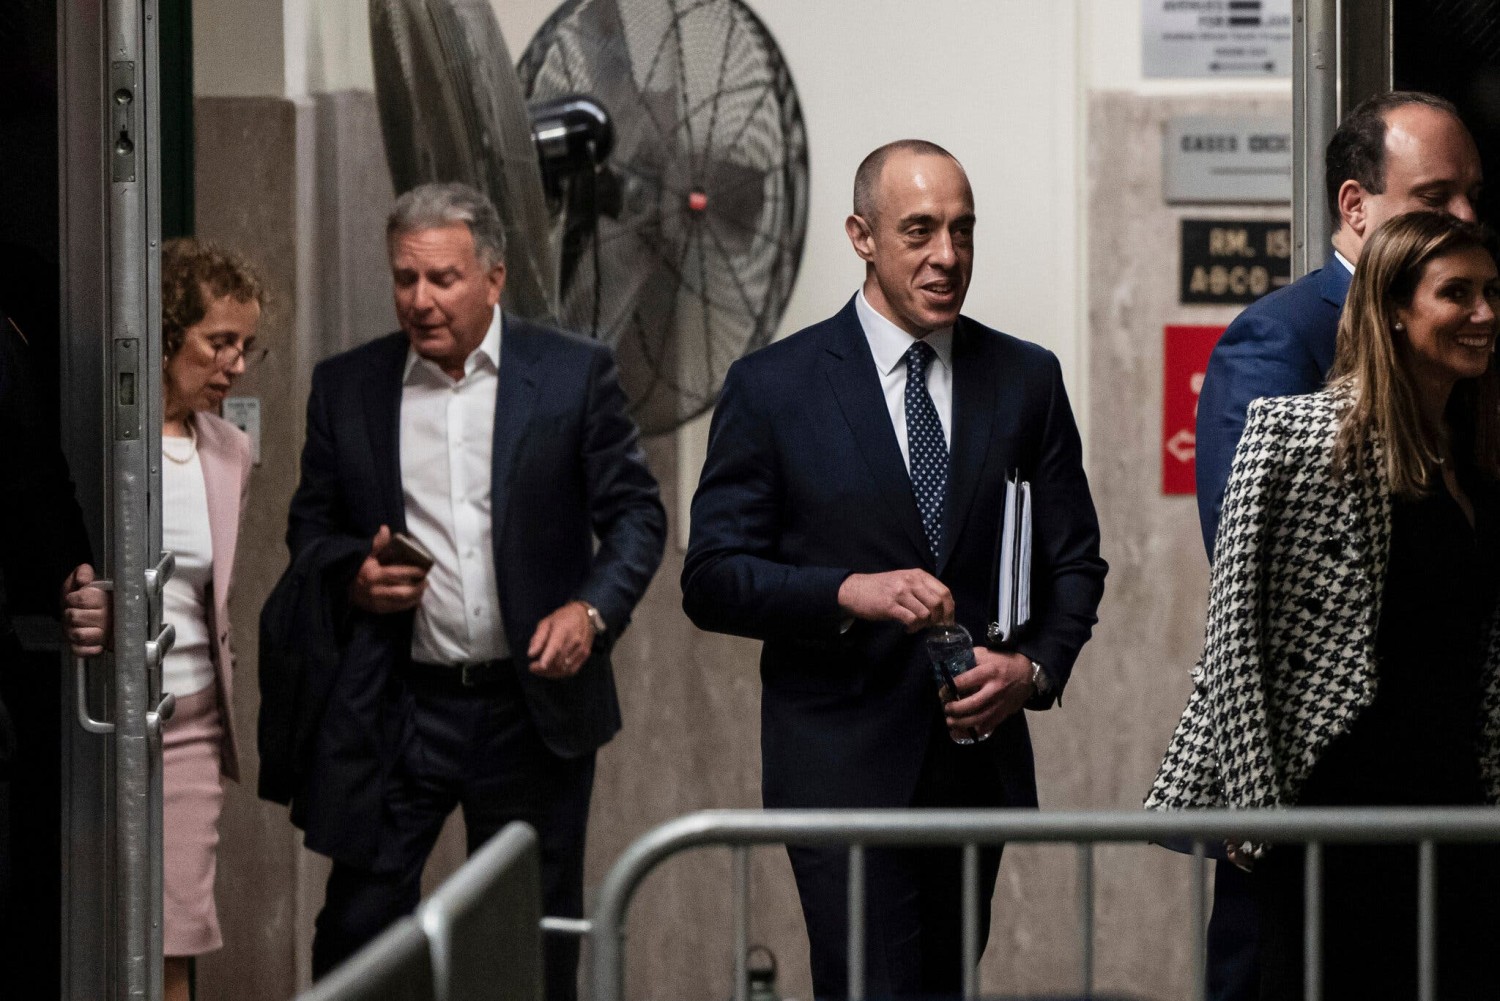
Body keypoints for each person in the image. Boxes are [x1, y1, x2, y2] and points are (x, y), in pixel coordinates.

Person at [681, 140, 1107, 997]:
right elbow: (712, 576)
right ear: (862, 236)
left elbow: (1077, 563)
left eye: (962, 230)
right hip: (842, 770)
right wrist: (845, 591)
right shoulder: (774, 387)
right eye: (919, 231)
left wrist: (1033, 669)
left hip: (973, 772)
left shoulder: (1026, 379)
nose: (947, 256)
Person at [267, 182, 664, 1001]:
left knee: (534, 937)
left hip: (531, 708)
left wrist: (591, 611)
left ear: (493, 278)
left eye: (442, 279)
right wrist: (355, 575)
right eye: (405, 279)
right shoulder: (347, 388)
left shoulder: (571, 374)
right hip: (397, 704)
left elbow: (636, 517)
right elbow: (310, 532)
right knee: (356, 928)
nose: (420, 300)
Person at [1150, 210, 1500, 999]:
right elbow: (1237, 636)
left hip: (1457, 814)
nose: (1484, 314)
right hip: (1331, 817)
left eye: (1491, 292)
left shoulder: (1474, 457)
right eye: (1457, 294)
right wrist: (1256, 811)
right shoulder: (1298, 438)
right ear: (1395, 313)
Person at [63, 239, 263, 1001]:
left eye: (247, 346)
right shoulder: (104, 438)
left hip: (189, 723)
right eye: (219, 342)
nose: (236, 364)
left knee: (174, 941)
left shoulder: (230, 452)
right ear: (168, 332)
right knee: (89, 927)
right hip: (99, 723)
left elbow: (214, 605)